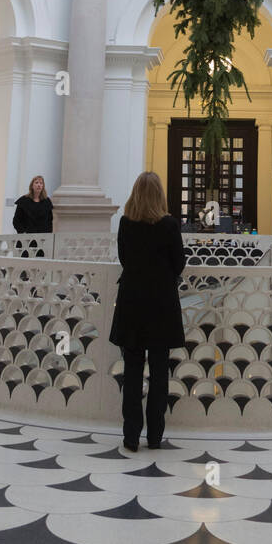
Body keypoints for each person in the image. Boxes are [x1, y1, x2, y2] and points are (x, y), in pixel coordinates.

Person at [109, 171, 186, 452]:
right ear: (159, 194)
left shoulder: (126, 224)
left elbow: (125, 259)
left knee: (131, 374)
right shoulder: (169, 225)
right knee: (159, 375)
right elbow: (179, 263)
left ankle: (131, 437)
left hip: (132, 304)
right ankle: (154, 437)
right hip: (161, 306)